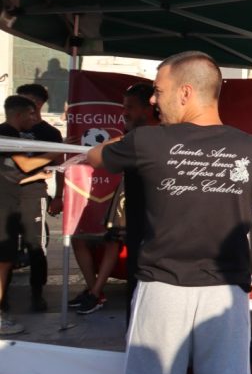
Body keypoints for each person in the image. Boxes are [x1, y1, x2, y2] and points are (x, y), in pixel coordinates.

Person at [87, 52, 252, 374]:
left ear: (185, 91)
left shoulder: (147, 142)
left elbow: (98, 157)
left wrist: (96, 149)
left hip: (162, 293)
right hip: (226, 297)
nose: (154, 101)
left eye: (158, 91)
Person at [70, 83, 160, 315]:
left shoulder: (149, 138)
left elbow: (96, 155)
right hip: (136, 223)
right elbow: (98, 156)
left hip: (156, 232)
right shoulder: (132, 138)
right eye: (123, 107)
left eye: (129, 107)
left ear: (149, 108)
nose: (124, 113)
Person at [0, 96, 58, 334]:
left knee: (6, 260)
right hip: (4, 205)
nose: (35, 119)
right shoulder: (7, 133)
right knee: (3, 261)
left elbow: (15, 174)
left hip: (10, 202)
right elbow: (23, 165)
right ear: (20, 114)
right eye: (31, 114)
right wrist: (54, 153)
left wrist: (39, 176)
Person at [13, 83, 64, 312]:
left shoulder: (50, 133)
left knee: (36, 246)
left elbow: (61, 166)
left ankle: (37, 293)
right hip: (6, 196)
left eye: (25, 101)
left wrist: (59, 196)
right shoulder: (6, 130)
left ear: (38, 103)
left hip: (33, 194)